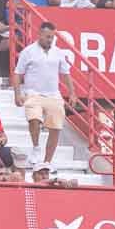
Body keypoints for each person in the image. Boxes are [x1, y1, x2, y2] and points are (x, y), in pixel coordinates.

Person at [12, 22, 74, 167]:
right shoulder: (28, 51)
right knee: (34, 120)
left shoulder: (58, 52)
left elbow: (65, 74)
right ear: (39, 34)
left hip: (53, 95)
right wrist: (17, 94)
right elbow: (17, 74)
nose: (49, 40)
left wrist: (72, 93)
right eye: (47, 37)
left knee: (56, 127)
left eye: (52, 37)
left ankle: (47, 162)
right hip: (33, 94)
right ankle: (36, 147)